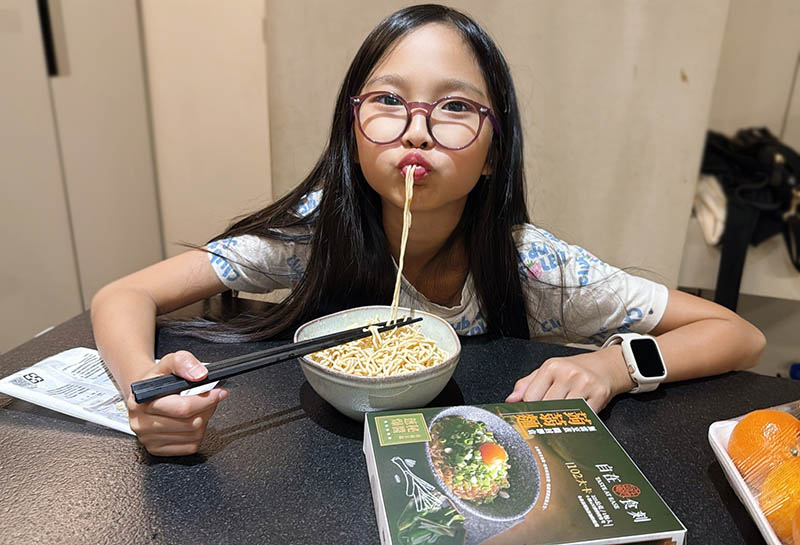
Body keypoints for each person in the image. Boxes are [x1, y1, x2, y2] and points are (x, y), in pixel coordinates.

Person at [91, 4, 765, 456]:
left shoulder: (532, 265)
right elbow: (121, 297)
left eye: (455, 107)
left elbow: (739, 333)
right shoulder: (314, 233)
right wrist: (142, 386)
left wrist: (614, 365)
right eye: (388, 100)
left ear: (494, 152)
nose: (416, 127)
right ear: (353, 130)